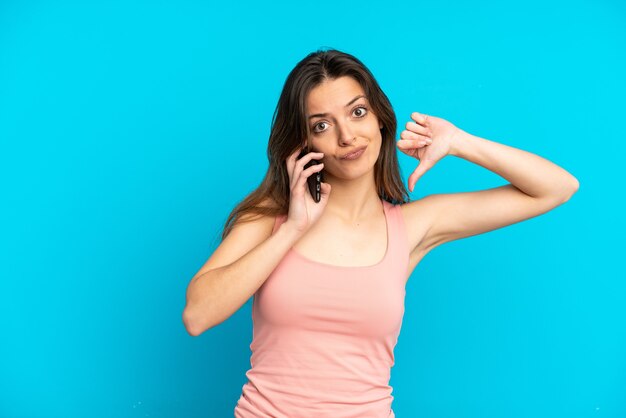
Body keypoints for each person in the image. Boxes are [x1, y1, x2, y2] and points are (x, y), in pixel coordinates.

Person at [182, 48, 579, 417]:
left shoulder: (413, 227)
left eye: (357, 113)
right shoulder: (271, 219)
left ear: (380, 118)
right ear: (305, 141)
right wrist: (293, 229)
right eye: (322, 124)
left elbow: (557, 188)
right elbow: (198, 315)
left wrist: (460, 143)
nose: (347, 136)